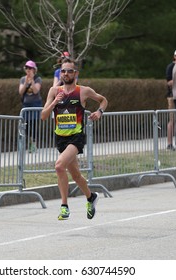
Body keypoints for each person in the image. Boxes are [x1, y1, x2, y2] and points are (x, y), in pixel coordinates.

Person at [41, 58, 108, 220]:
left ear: (75, 73)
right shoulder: (54, 91)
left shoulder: (83, 91)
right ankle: (91, 197)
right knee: (76, 175)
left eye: (69, 71)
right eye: (63, 71)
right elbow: (43, 116)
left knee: (59, 166)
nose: (66, 74)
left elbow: (103, 100)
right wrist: (54, 102)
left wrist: (99, 112)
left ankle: (64, 206)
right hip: (60, 139)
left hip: (76, 137)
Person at [19, 60, 42, 153]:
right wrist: (26, 82)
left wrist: (32, 80)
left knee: (34, 124)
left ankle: (34, 144)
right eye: (27, 68)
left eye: (30, 68)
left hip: (35, 105)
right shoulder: (22, 79)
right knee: (26, 125)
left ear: (34, 70)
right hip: (26, 105)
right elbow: (20, 92)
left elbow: (36, 90)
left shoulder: (38, 79)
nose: (28, 70)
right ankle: (29, 142)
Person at [165, 48, 176, 150]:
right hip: (172, 96)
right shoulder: (171, 67)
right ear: (175, 56)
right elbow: (169, 82)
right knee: (172, 120)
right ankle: (169, 143)